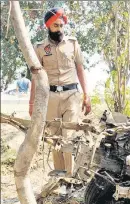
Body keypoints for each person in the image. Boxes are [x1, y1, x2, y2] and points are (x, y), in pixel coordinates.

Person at [30, 7, 91, 177]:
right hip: (50, 97)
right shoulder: (40, 48)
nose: (59, 29)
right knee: (54, 138)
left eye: (61, 25)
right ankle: (59, 178)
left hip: (71, 95)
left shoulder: (73, 44)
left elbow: (80, 69)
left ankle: (70, 177)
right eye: (55, 26)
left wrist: (87, 95)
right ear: (48, 27)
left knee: (68, 137)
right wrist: (32, 103)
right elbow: (35, 77)